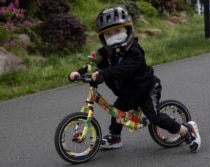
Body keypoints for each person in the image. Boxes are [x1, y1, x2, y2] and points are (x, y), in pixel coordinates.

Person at [69, 6, 201, 152]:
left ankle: (186, 130)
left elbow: (124, 69)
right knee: (116, 111)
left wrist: (104, 74)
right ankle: (114, 137)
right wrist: (79, 72)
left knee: (154, 117)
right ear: (102, 38)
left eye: (118, 31)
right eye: (108, 34)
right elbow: (93, 62)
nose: (114, 36)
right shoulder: (106, 52)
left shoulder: (134, 51)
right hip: (128, 91)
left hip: (146, 89)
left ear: (128, 29)